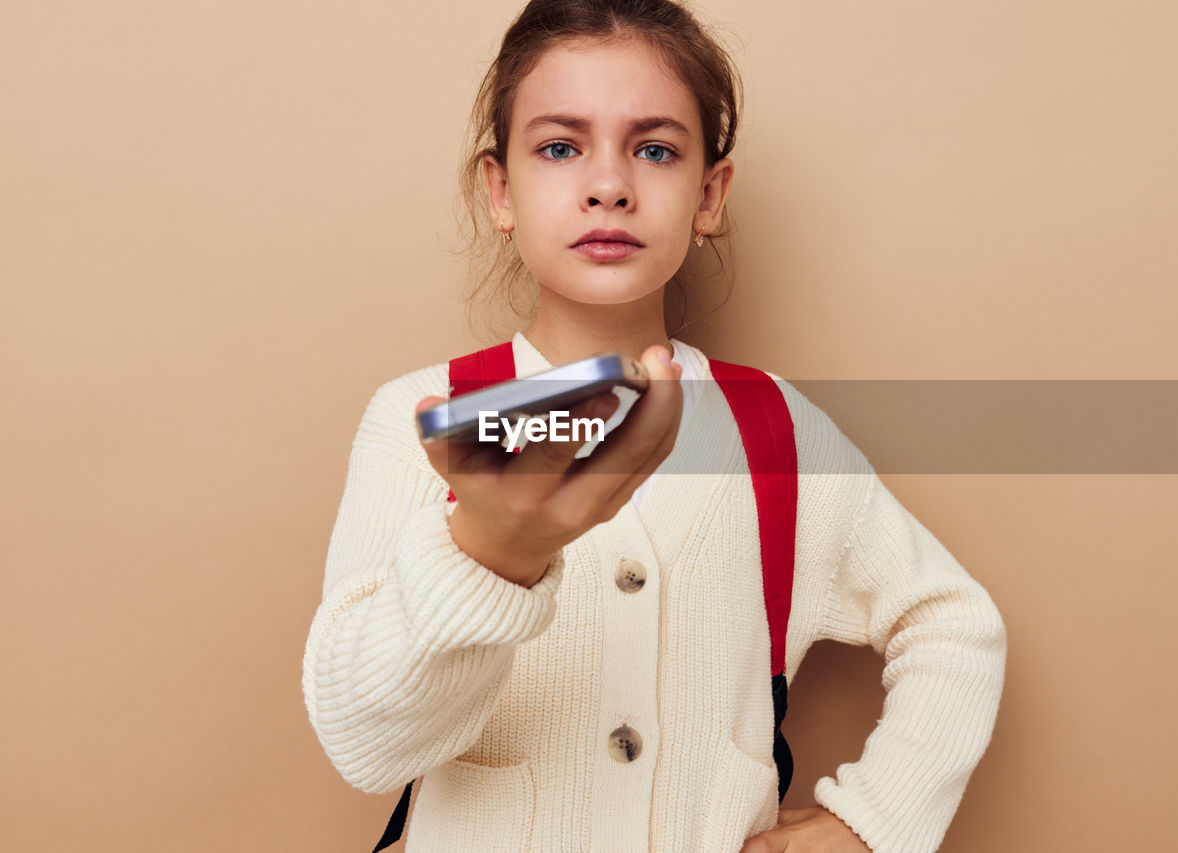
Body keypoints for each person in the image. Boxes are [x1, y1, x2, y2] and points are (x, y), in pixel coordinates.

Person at [301, 1, 1007, 851]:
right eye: (560, 147)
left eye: (656, 149)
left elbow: (954, 623)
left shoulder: (776, 430)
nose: (609, 184)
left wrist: (874, 821)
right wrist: (488, 553)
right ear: (500, 191)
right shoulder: (426, 423)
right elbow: (365, 745)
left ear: (709, 193)